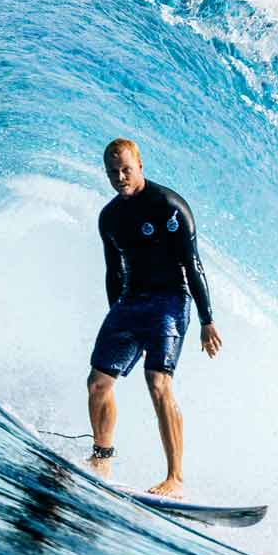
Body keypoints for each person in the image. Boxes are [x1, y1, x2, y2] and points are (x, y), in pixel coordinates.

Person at [87, 138, 221, 497]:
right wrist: (116, 313)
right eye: (113, 172)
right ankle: (101, 456)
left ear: (140, 166)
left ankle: (175, 478)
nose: (120, 177)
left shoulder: (168, 206)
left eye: (126, 169)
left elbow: (193, 266)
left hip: (170, 301)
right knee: (98, 383)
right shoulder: (110, 217)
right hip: (131, 302)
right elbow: (113, 272)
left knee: (158, 384)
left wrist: (207, 319)